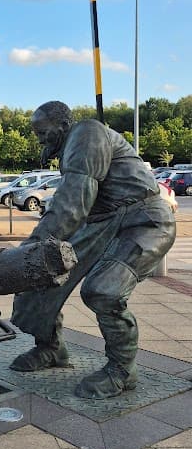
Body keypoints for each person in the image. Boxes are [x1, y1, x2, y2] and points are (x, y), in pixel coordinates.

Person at [10, 101, 176, 399]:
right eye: (36, 133)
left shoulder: (87, 133)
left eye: (42, 131)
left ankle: (122, 371)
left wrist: (31, 245)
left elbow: (73, 203)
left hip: (143, 221)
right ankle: (50, 348)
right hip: (102, 224)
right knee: (39, 275)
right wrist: (34, 255)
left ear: (62, 126)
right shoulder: (71, 145)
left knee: (104, 290)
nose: (39, 139)